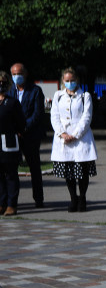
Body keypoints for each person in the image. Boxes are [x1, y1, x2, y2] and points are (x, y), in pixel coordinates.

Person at [50, 68, 99, 212]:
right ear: (63, 81)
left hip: (81, 140)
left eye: (72, 80)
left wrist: (75, 134)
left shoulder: (85, 96)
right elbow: (54, 116)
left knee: (82, 172)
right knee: (69, 172)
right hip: (63, 141)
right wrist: (62, 133)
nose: (70, 83)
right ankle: (73, 198)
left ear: (77, 80)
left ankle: (82, 197)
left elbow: (86, 117)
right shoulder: (58, 96)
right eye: (67, 81)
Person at [9, 63, 45, 208]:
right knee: (11, 170)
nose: (17, 76)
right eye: (14, 74)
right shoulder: (10, 91)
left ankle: (38, 199)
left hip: (30, 136)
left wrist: (23, 128)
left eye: (19, 73)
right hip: (14, 136)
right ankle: (12, 201)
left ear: (25, 74)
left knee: (34, 168)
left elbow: (37, 114)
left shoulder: (35, 91)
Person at [0, 72, 26, 216]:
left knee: (10, 175)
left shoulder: (12, 103)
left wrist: (18, 132)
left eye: (3, 82)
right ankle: (1, 203)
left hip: (9, 143)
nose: (1, 85)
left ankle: (12, 204)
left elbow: (21, 123)